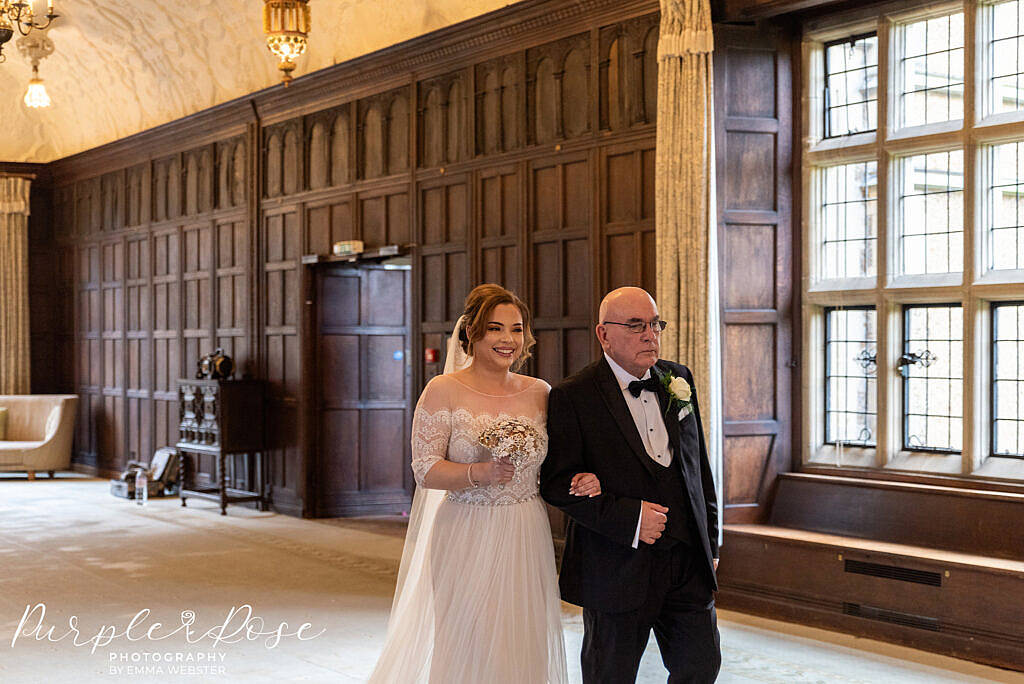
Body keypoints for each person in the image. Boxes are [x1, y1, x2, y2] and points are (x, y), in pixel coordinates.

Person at [369, 283, 600, 683]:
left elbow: (561, 464)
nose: (507, 339)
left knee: (519, 636)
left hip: (524, 527)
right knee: (469, 636)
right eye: (495, 329)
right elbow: (424, 469)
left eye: (516, 328)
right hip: (464, 528)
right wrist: (478, 473)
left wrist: (585, 477)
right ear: (471, 333)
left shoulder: (540, 392)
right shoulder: (443, 390)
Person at [540, 286, 721, 683]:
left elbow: (698, 470)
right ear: (603, 334)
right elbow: (555, 484)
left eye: (655, 324)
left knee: (701, 668)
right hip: (616, 566)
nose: (650, 335)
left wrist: (712, 543)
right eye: (636, 325)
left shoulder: (679, 378)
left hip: (687, 560)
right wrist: (630, 517)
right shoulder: (573, 396)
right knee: (611, 675)